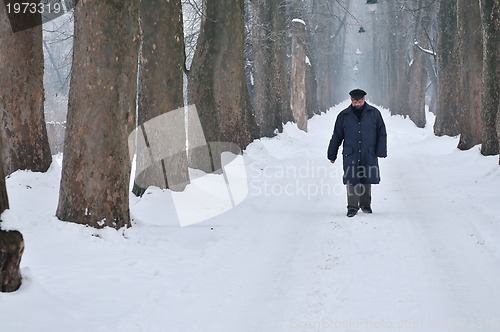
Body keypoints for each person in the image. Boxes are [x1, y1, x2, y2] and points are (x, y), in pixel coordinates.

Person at [327, 89, 387, 217]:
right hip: (351, 153)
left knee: (367, 178)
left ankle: (365, 205)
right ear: (351, 100)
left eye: (359, 101)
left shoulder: (374, 114)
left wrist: (380, 151)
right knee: (351, 179)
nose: (357, 104)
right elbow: (337, 136)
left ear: (364, 99)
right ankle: (352, 207)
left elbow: (381, 133)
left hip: (368, 152)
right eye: (354, 101)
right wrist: (332, 154)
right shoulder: (343, 116)